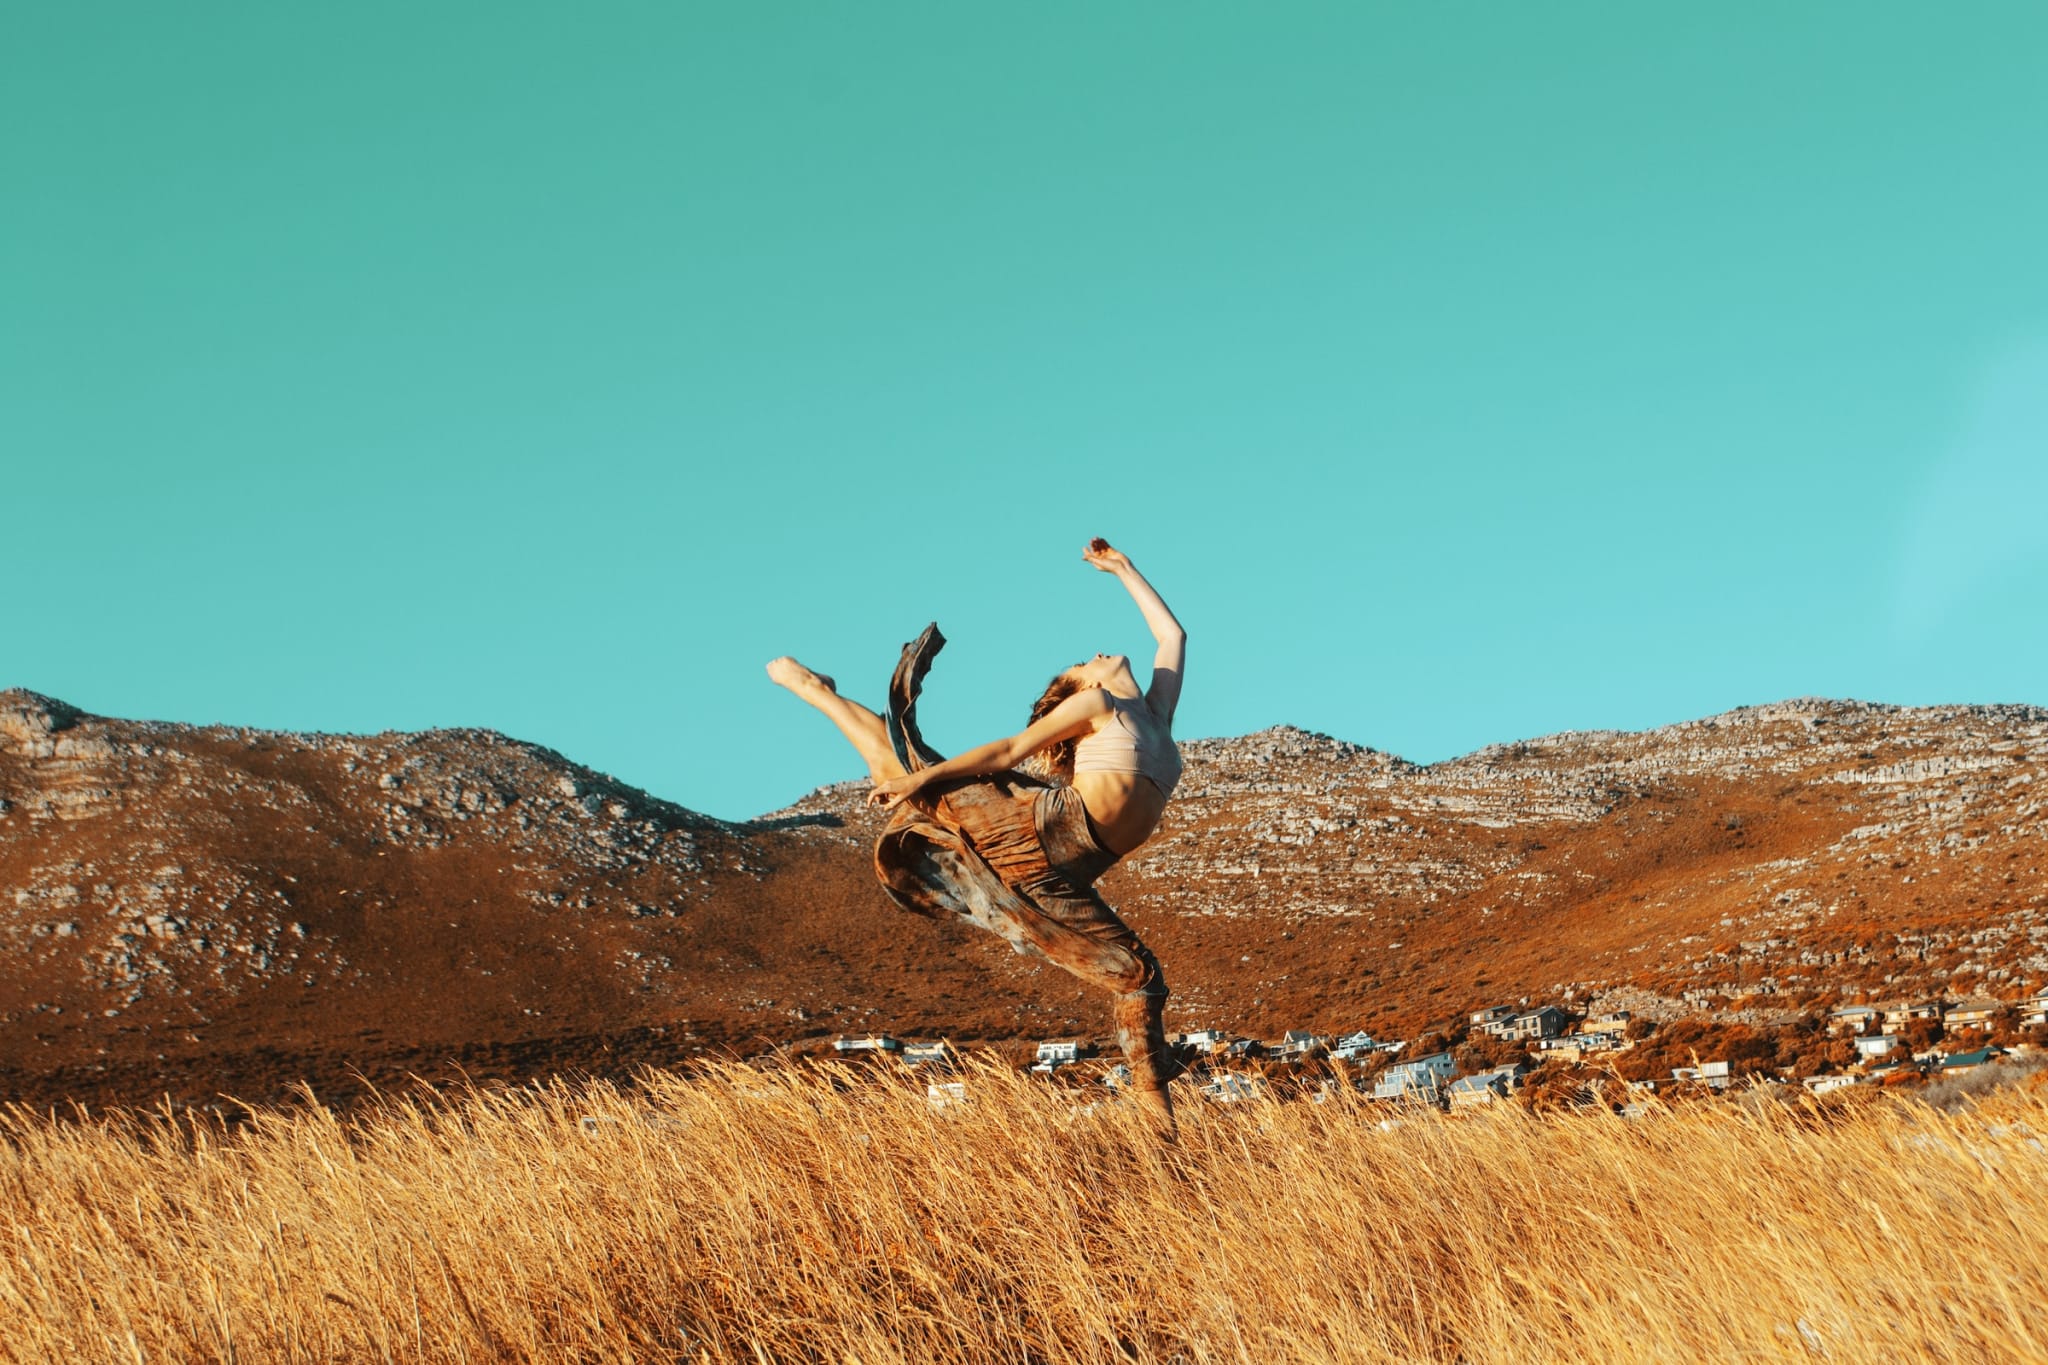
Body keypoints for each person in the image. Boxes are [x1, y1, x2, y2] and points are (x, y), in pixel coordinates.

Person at [766, 539, 1186, 1134]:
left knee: (1138, 975)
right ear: (1079, 687)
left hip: (1066, 869)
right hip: (1037, 830)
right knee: (909, 774)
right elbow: (1011, 750)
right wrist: (927, 776)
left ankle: (1159, 1128)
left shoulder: (1156, 716)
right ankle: (817, 692)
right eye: (1082, 664)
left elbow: (1173, 638)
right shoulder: (1097, 704)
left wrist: (1122, 569)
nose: (1094, 655)